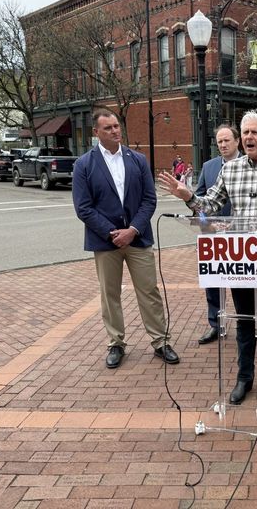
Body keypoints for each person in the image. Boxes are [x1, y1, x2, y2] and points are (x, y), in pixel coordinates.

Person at [159, 110, 257, 406]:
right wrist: (188, 197)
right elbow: (210, 205)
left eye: (255, 132)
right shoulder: (230, 169)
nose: (249, 137)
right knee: (243, 318)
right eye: (246, 133)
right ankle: (244, 378)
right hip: (241, 254)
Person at [73, 109, 180, 369]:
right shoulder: (84, 164)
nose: (115, 131)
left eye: (116, 126)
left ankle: (160, 341)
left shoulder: (138, 160)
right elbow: (83, 207)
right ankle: (116, 343)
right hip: (105, 241)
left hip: (137, 238)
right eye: (108, 128)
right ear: (96, 132)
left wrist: (132, 230)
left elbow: (149, 199)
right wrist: (112, 233)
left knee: (149, 291)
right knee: (109, 294)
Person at [193, 125, 241, 345]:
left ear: (237, 141)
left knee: (242, 283)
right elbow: (199, 201)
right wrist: (206, 226)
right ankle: (216, 324)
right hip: (213, 237)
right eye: (219, 141)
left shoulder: (249, 164)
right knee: (213, 283)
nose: (222, 145)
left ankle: (245, 324)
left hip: (241, 235)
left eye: (226, 140)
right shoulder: (209, 167)